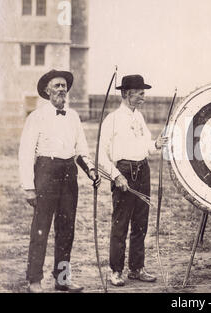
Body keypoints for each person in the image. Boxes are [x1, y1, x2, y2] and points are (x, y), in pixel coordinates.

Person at [19, 70, 99, 293]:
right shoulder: (36, 117)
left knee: (66, 229)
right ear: (47, 90)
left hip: (68, 174)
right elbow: (26, 153)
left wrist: (91, 170)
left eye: (64, 85)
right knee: (41, 229)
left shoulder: (73, 116)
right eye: (57, 86)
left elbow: (81, 149)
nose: (62, 89)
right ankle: (34, 280)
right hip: (45, 173)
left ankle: (62, 279)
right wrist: (28, 187)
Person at [99, 74, 168, 287]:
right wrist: (116, 175)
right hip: (124, 173)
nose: (143, 97)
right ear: (127, 94)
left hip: (143, 171)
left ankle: (137, 269)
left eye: (143, 93)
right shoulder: (111, 119)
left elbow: (146, 145)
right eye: (140, 93)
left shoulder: (139, 117)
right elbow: (101, 155)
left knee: (141, 224)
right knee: (120, 224)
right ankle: (116, 271)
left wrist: (157, 144)